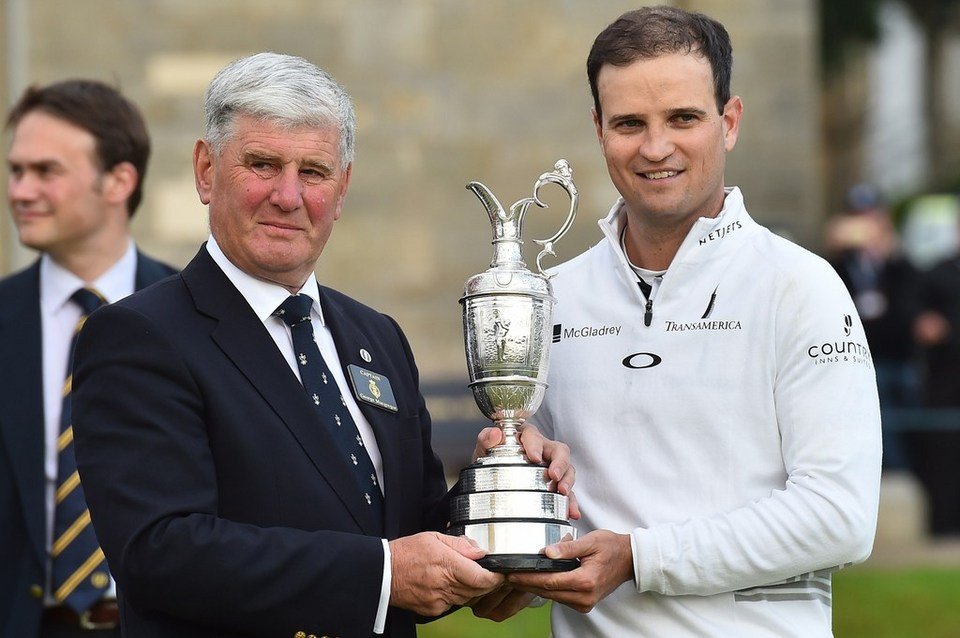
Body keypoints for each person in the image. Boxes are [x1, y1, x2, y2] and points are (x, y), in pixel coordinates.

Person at [70, 52, 574, 638]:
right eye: (262, 164)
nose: (288, 196)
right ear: (206, 170)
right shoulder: (140, 336)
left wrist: (501, 488)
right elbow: (161, 551)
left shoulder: (377, 337)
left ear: (342, 188)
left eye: (313, 172)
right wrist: (382, 575)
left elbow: (412, 527)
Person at [509, 7, 881, 637]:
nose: (656, 148)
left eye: (683, 118)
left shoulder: (800, 286)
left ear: (728, 122)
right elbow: (548, 505)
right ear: (598, 130)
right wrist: (515, 508)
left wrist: (639, 559)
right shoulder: (549, 297)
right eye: (630, 123)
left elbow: (839, 516)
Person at [0, 80, 177, 638]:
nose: (21, 191)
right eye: (15, 170)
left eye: (46, 171)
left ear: (119, 180)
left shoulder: (202, 319)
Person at [824, 183, 922, 472]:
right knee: (879, 425)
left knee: (912, 422)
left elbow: (910, 295)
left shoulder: (895, 261)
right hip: (863, 357)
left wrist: (890, 250)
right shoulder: (839, 263)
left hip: (899, 355)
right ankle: (893, 474)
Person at [911, 212, 960, 537]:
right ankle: (945, 526)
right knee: (944, 455)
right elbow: (913, 318)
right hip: (946, 380)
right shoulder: (936, 274)